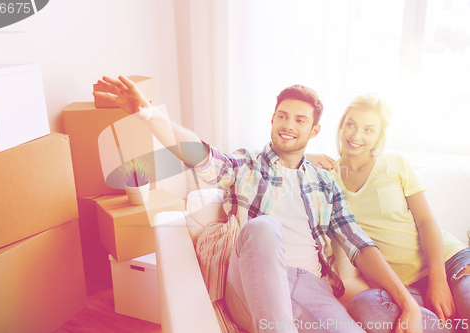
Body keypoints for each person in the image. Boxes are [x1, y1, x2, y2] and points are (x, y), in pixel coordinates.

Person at [93, 76, 423, 333]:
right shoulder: (245, 166)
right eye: (282, 116)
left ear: (314, 130)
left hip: (311, 288)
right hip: (250, 284)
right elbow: (199, 153)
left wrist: (406, 301)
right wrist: (148, 114)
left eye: (299, 120)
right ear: (272, 120)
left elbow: (360, 245)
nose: (288, 125)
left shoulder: (326, 182)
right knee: (264, 227)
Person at [307, 93, 470, 333]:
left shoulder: (394, 163)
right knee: (365, 307)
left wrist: (438, 281)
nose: (356, 135)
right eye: (350, 124)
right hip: (405, 289)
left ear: (379, 136)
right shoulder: (328, 178)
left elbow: (426, 222)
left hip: (447, 264)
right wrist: (305, 155)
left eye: (368, 130)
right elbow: (277, 157)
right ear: (341, 125)